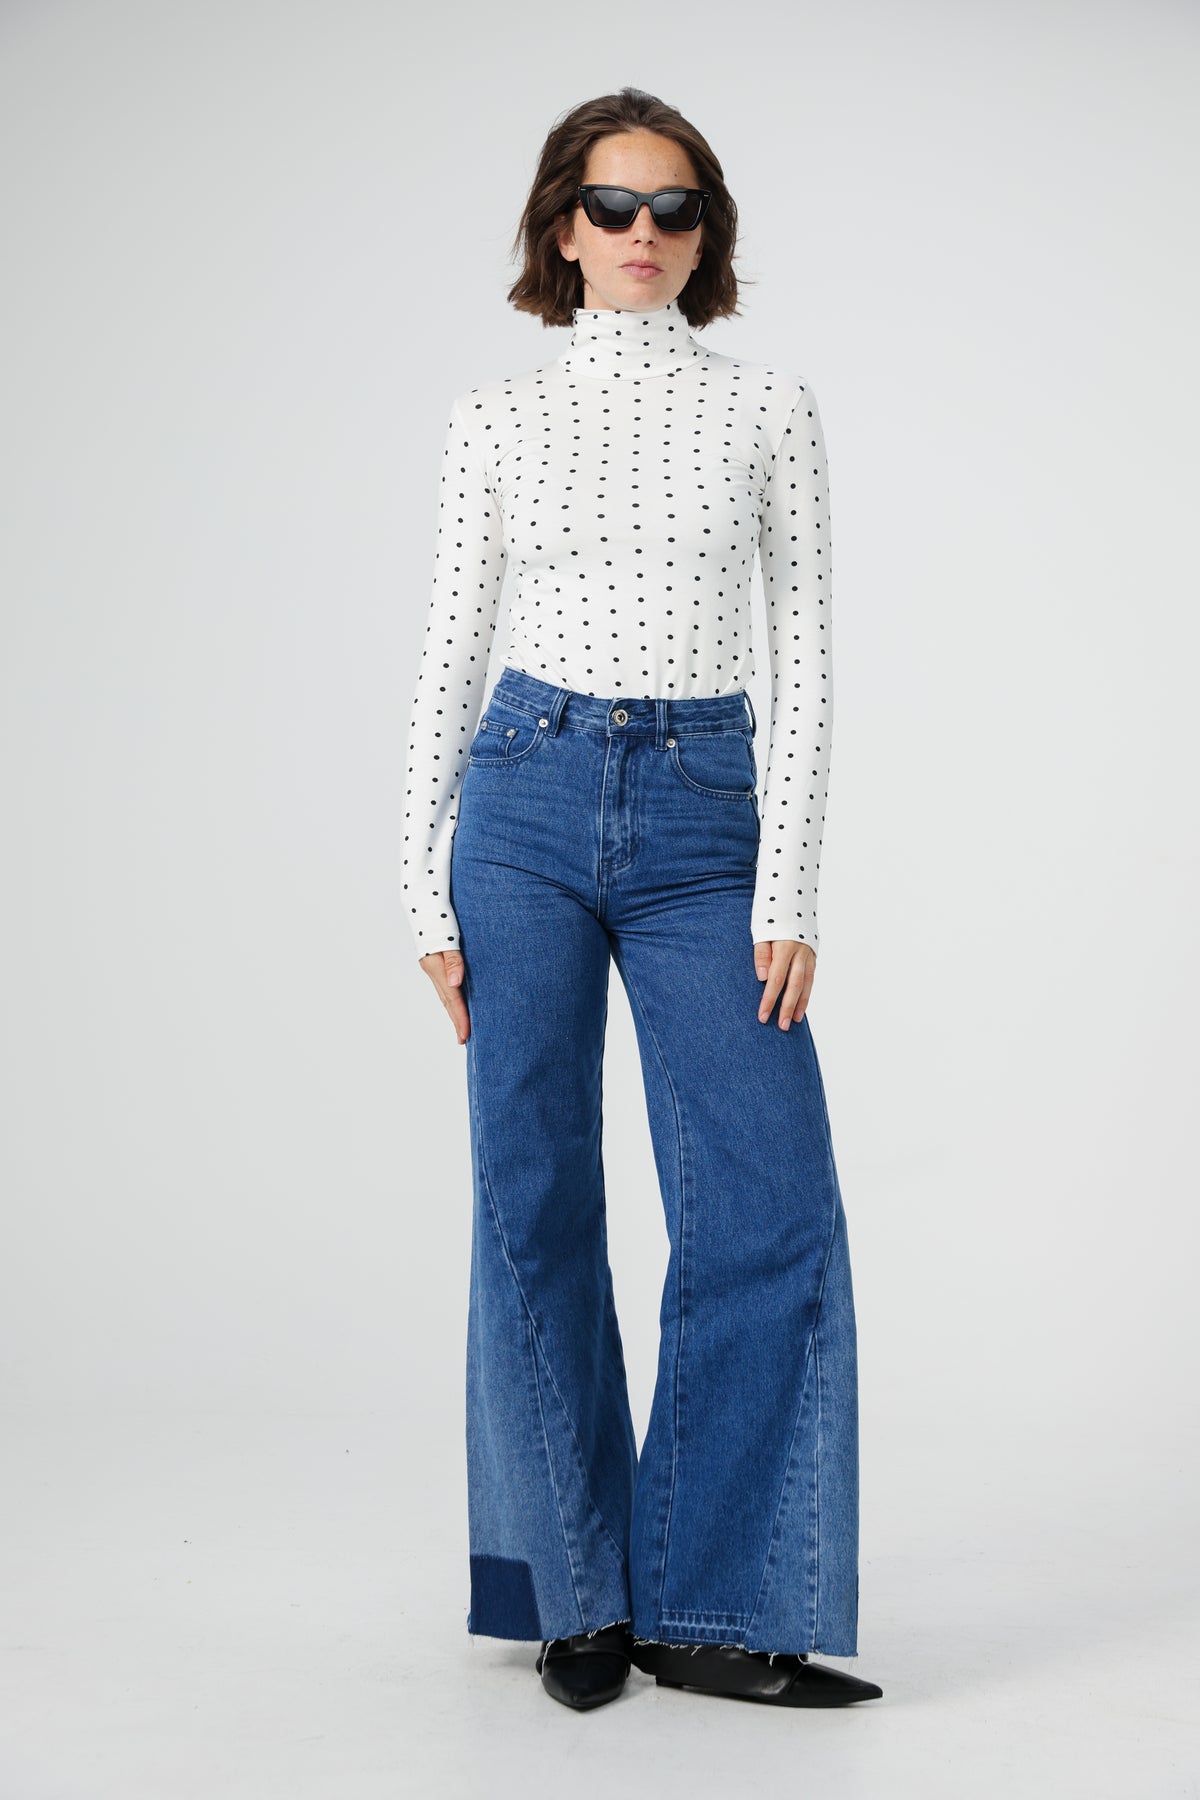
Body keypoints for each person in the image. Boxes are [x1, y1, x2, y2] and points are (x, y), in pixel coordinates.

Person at [402, 86, 882, 1713]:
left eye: (675, 209)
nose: (642, 234)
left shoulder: (770, 409)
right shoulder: (496, 417)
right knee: (532, 1195)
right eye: (612, 206)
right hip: (523, 799)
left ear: (706, 234)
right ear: (563, 225)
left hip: (703, 813)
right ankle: (578, 1599)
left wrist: (789, 881)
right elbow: (451, 651)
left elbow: (808, 656)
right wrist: (418, 883)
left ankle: (720, 1607)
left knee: (766, 1199)